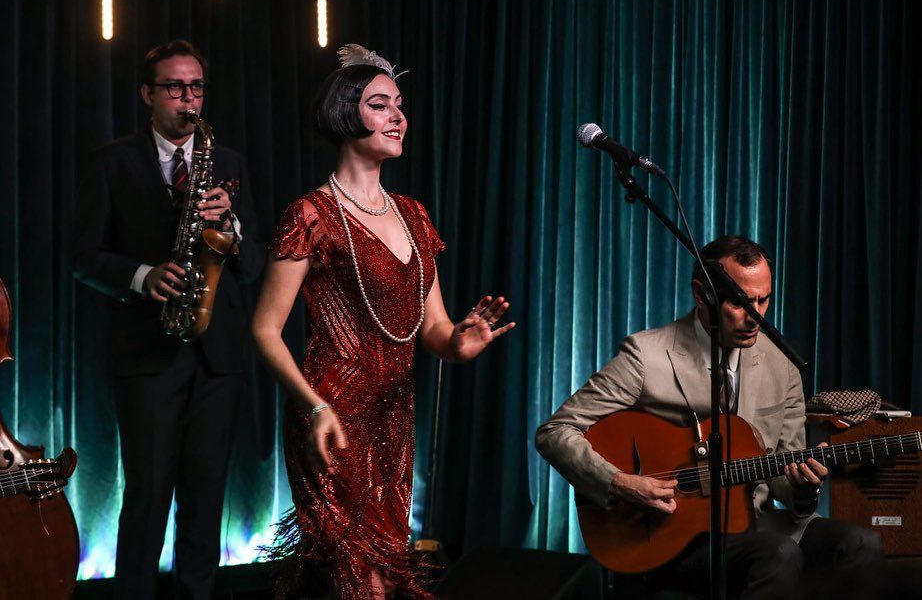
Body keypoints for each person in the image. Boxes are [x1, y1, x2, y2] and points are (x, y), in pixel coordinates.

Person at [252, 44, 515, 599]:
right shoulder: (311, 214)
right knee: (360, 573)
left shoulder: (414, 215)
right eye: (379, 105)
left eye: (399, 104)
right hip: (330, 408)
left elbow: (435, 331)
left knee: (386, 563)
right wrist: (315, 407)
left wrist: (461, 343)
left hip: (394, 413)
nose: (398, 117)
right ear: (345, 115)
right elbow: (264, 330)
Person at [536, 236, 883, 599]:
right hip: (671, 533)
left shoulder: (782, 367)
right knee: (778, 554)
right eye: (740, 302)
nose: (756, 317)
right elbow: (555, 431)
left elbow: (784, 477)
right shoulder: (646, 356)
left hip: (757, 523)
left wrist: (804, 487)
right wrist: (619, 481)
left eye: (764, 300)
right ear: (702, 294)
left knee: (863, 543)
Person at [74, 40, 263, 599]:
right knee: (148, 499)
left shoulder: (227, 163)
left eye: (197, 87)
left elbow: (252, 266)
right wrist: (141, 276)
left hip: (216, 356)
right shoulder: (112, 161)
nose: (188, 98)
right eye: (176, 87)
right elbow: (83, 256)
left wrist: (230, 229)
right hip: (147, 353)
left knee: (205, 502)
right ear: (147, 94)